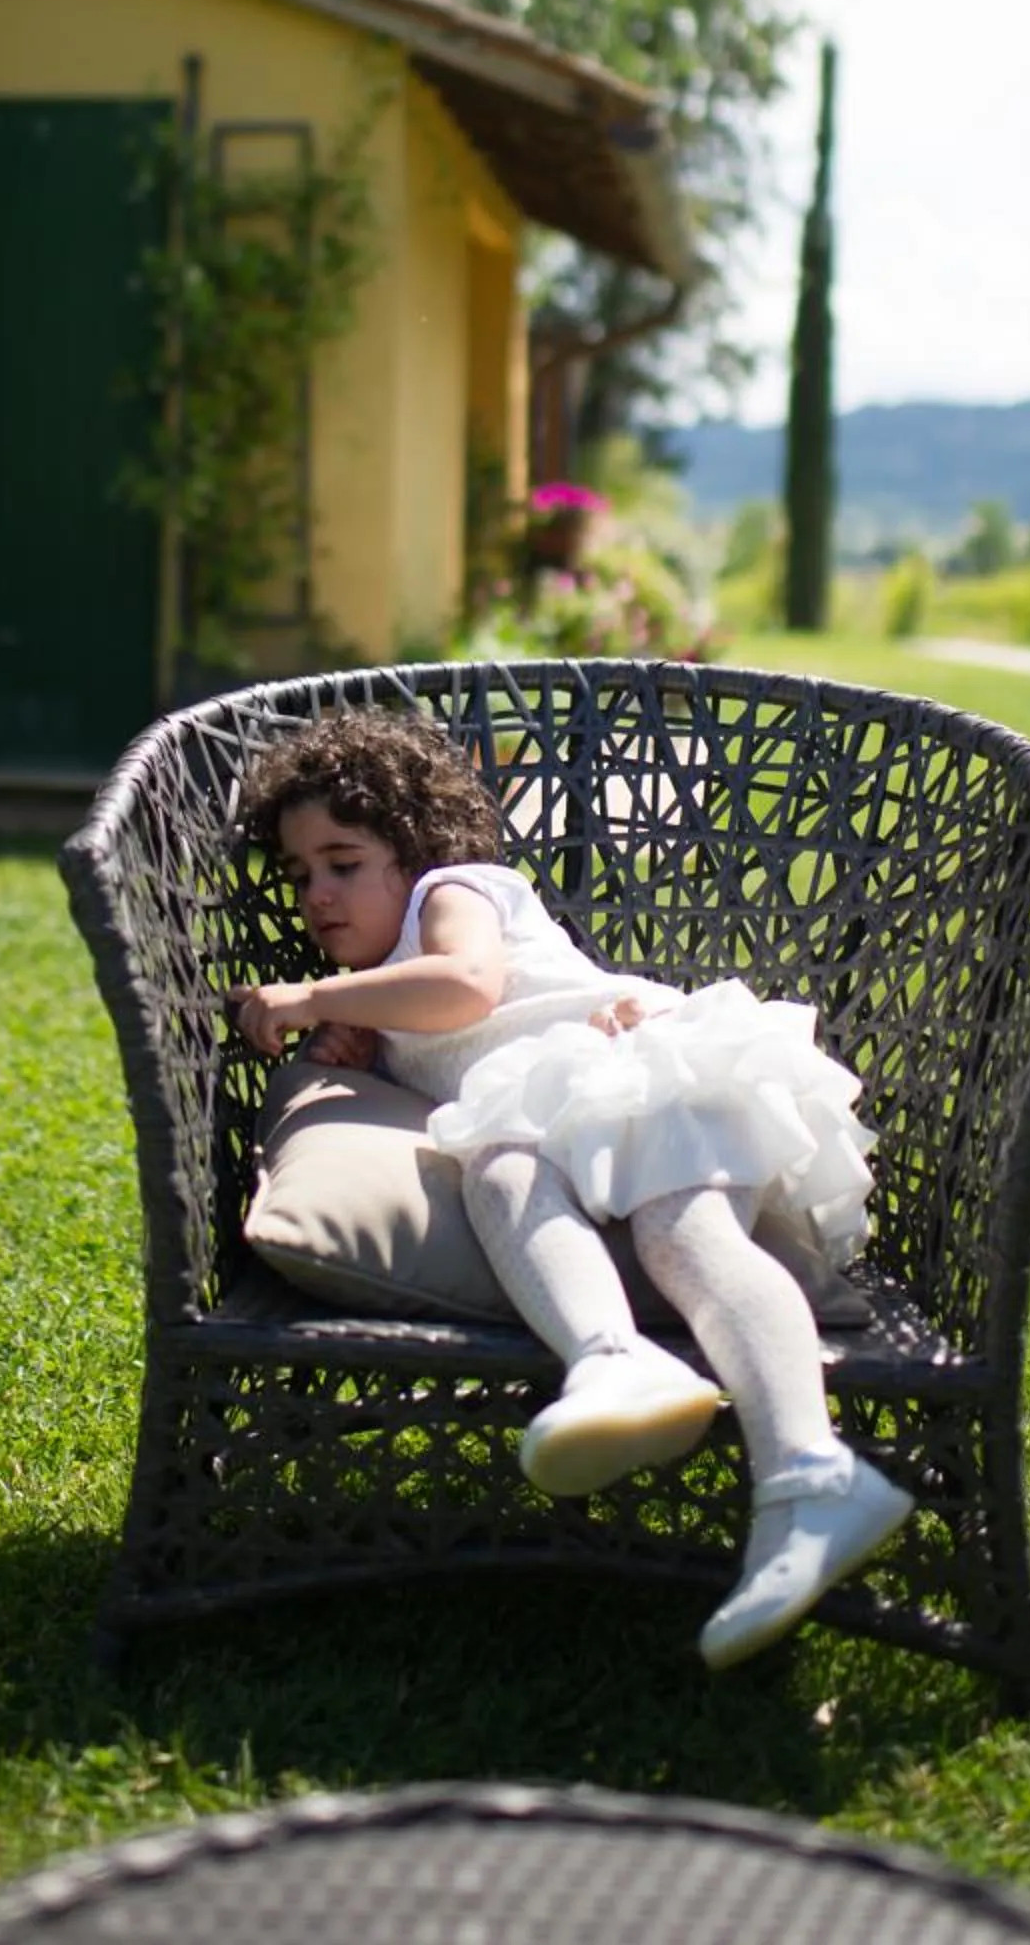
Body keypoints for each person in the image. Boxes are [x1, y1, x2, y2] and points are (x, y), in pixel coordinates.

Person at [233, 710, 913, 1671]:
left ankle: (811, 1471)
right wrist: (355, 1042)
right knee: (497, 1169)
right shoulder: (384, 996)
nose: (318, 895)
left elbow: (465, 989)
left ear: (412, 848)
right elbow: (435, 1051)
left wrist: (317, 999)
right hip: (550, 1119)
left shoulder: (454, 891)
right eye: (301, 875)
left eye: (343, 862)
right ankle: (613, 1360)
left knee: (689, 1238)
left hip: (640, 1067)